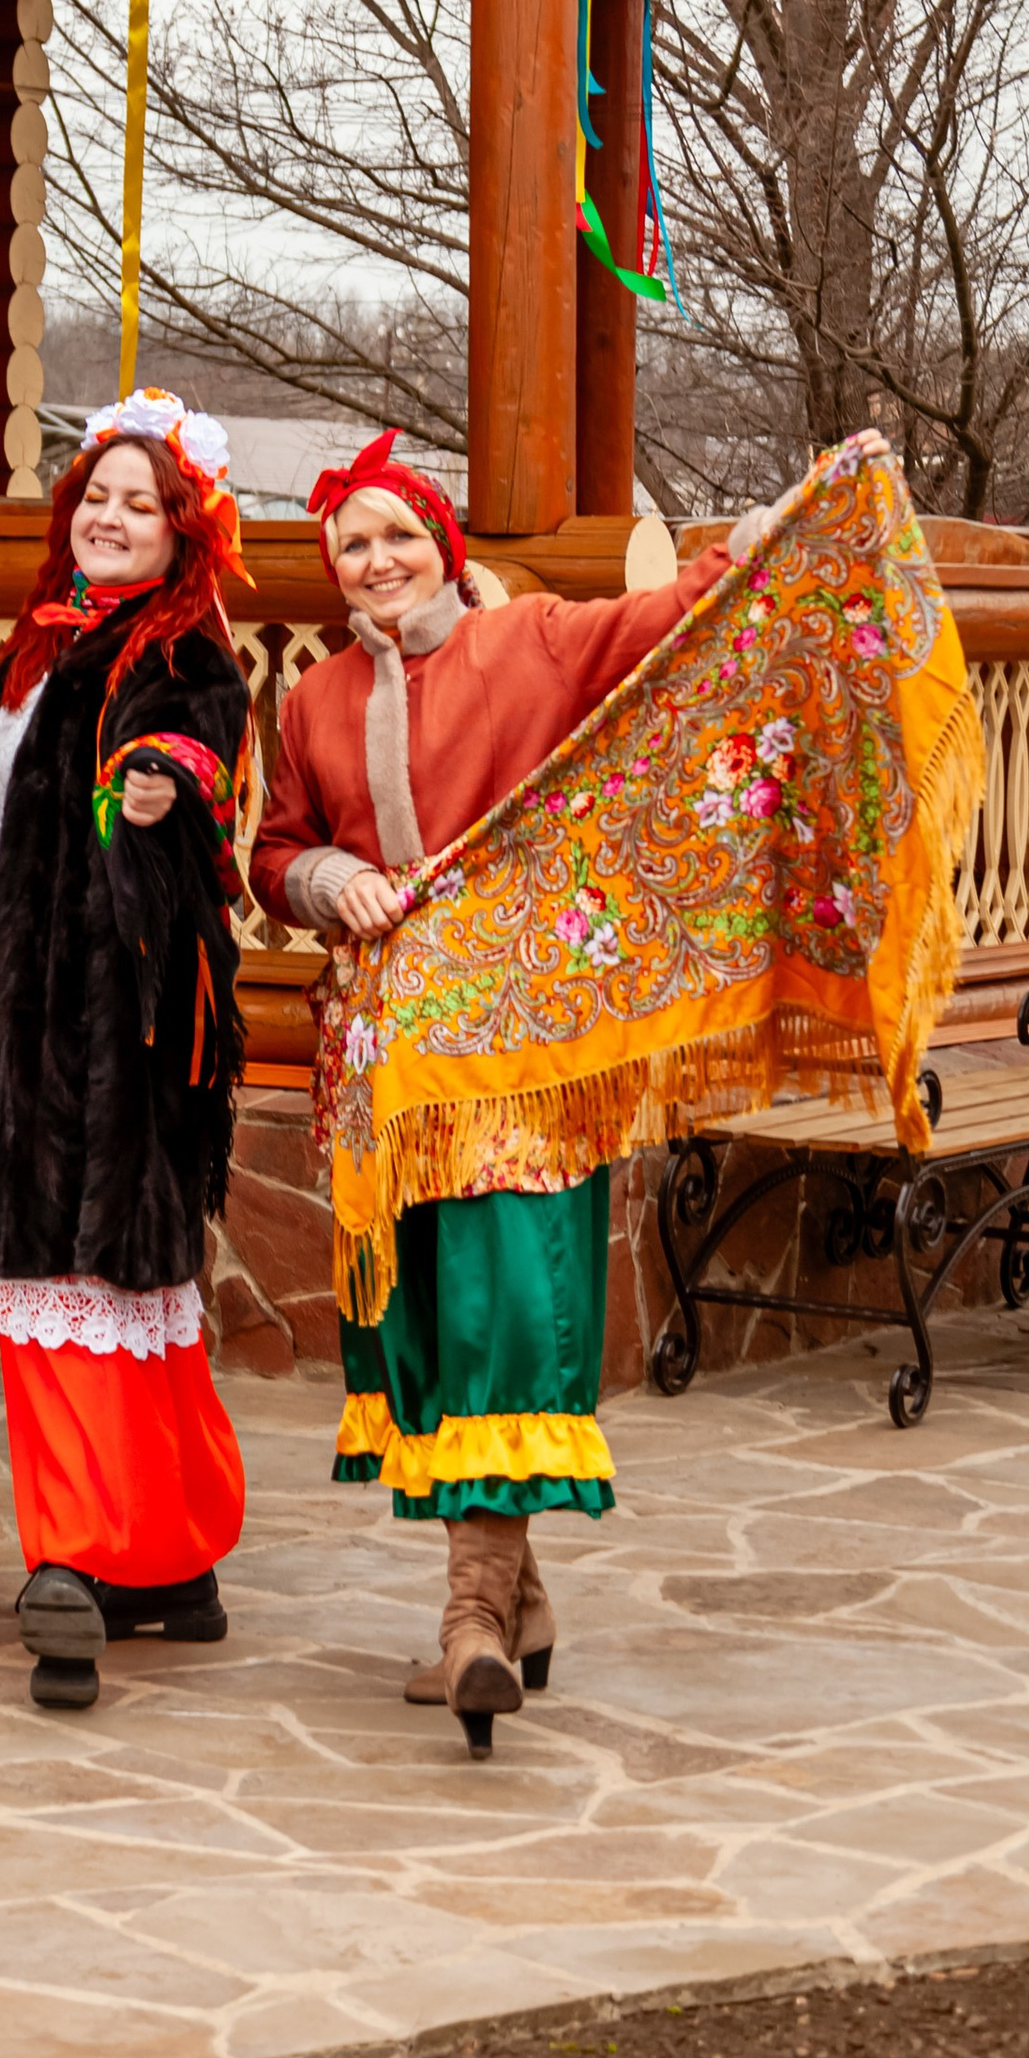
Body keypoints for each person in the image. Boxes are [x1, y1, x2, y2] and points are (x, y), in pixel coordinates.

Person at [250, 433, 735, 1748]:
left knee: (502, 1296)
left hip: (522, 1041)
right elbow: (276, 845)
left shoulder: (538, 639)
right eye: (352, 544)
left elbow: (671, 617)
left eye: (398, 534)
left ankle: (472, 1621)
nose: (377, 560)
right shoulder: (312, 699)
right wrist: (317, 881)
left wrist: (757, 548)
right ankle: (514, 1609)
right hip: (385, 1057)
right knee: (418, 1307)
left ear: (441, 544)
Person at [0, 389, 252, 1715]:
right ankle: (173, 1558)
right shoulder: (36, 647)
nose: (109, 519)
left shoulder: (180, 654)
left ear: (182, 535)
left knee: (79, 1280)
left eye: (139, 506)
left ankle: (78, 1563)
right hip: (8, 1012)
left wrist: (162, 776)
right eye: (94, 498)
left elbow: (201, 746)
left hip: (107, 1023)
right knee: (109, 1292)